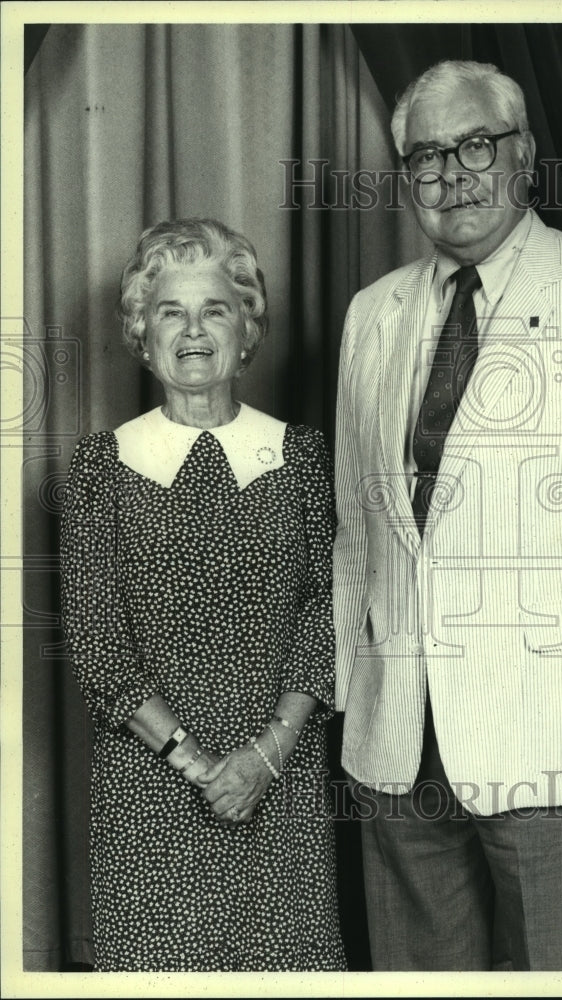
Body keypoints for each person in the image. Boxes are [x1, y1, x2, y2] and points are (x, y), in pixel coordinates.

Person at [333, 60, 562, 971]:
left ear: (524, 154)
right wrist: (342, 703)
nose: (451, 174)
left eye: (475, 146)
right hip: (397, 743)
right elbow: (357, 533)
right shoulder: (371, 313)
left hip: (560, 747)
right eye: (426, 156)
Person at [60, 218, 346, 972]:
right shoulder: (101, 466)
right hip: (150, 791)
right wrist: (202, 767)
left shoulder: (301, 455)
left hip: (280, 784)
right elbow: (98, 647)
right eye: (170, 312)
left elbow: (328, 615)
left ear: (246, 329)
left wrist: (263, 758)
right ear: (142, 332)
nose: (192, 331)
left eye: (214, 310)